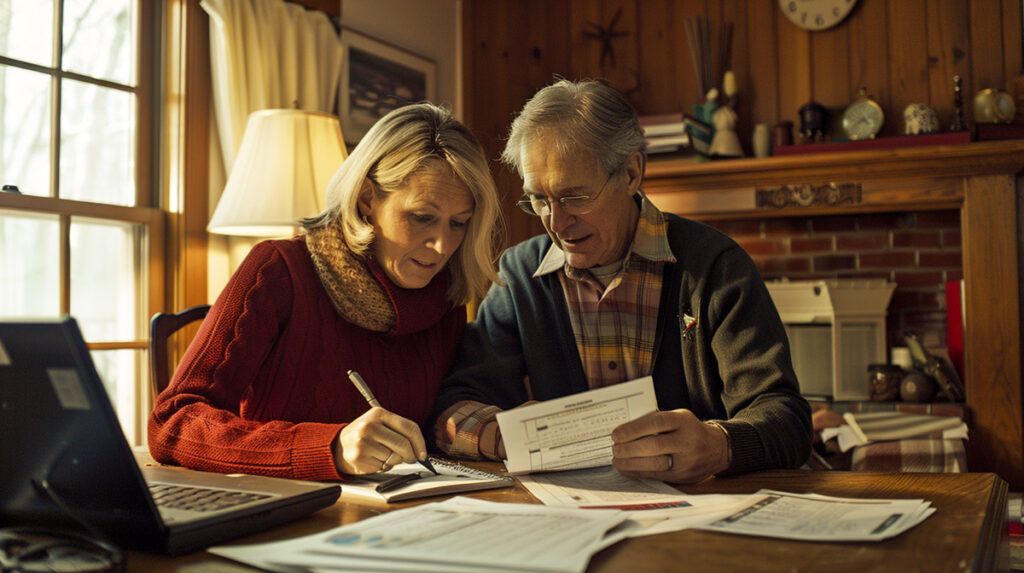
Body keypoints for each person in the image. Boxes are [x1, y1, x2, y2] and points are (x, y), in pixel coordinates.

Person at [432, 79, 811, 484]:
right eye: (539, 199)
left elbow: (786, 418)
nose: (556, 224)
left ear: (631, 173)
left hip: (699, 518)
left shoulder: (715, 267)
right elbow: (454, 406)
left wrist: (719, 445)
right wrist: (500, 435)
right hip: (571, 520)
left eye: (575, 197)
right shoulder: (520, 276)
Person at [149, 103, 502, 481]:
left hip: (405, 516)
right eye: (422, 217)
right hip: (283, 512)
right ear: (368, 199)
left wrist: (479, 429)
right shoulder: (278, 270)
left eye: (458, 223)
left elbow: (433, 419)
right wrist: (331, 447)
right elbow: (172, 422)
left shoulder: (446, 296)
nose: (441, 246)